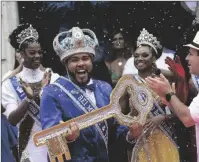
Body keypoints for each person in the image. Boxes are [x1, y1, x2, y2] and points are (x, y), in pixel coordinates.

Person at [40, 26, 132, 162]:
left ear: (92, 61)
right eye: (74, 60)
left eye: (85, 58)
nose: (81, 63)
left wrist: (132, 133)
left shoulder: (104, 88)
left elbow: (116, 130)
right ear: (66, 64)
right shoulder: (52, 92)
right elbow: (52, 142)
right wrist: (67, 138)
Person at [146, 31, 199, 162]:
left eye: (191, 54)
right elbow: (188, 115)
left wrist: (169, 93)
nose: (186, 59)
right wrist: (167, 99)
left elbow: (188, 118)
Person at [1, 24, 59, 162]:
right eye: (32, 53)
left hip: (54, 143)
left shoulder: (53, 78)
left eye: (39, 52)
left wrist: (44, 93)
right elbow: (12, 119)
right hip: (28, 144)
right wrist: (28, 99)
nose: (37, 56)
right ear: (21, 54)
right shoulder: (10, 83)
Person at [122, 28, 180, 162]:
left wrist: (163, 117)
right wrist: (132, 124)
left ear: (154, 57)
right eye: (136, 56)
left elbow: (181, 112)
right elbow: (121, 117)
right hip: (142, 141)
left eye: (144, 55)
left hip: (166, 139)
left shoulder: (165, 80)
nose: (139, 59)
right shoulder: (128, 83)